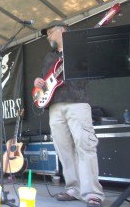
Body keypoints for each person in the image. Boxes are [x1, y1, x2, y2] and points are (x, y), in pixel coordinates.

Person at [34, 20, 104, 207]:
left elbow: (93, 68)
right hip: (55, 106)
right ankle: (73, 188)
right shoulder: (49, 57)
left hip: (77, 101)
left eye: (50, 32)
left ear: (62, 31)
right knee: (64, 149)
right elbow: (45, 80)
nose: (48, 36)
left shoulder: (79, 49)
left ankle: (91, 192)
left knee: (85, 145)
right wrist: (38, 82)